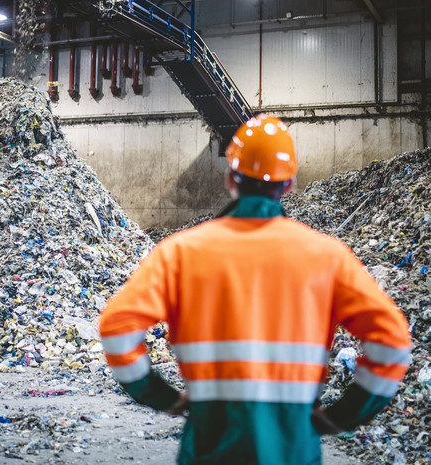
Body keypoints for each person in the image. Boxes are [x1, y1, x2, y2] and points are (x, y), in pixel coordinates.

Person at [98, 114, 412, 465]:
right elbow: (393, 343)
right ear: (289, 184)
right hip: (293, 449)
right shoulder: (328, 257)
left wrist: (160, 395)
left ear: (230, 177)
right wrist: (344, 415)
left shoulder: (180, 253)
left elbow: (117, 328)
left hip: (208, 448)